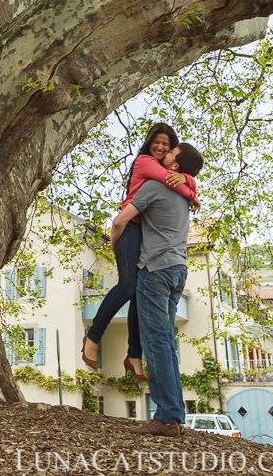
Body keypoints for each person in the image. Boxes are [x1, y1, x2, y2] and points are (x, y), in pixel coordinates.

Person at [81, 124, 199, 380]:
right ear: (149, 143)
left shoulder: (169, 172)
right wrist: (191, 189)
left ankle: (134, 354)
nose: (160, 147)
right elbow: (170, 180)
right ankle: (93, 336)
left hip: (144, 235)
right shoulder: (145, 162)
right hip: (129, 230)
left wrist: (188, 180)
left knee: (139, 291)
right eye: (156, 141)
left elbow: (175, 179)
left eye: (166, 144)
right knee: (127, 287)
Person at [110, 142, 204, 438]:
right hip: (178, 270)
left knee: (157, 343)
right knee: (167, 343)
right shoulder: (182, 195)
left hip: (155, 271)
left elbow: (120, 220)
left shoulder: (153, 186)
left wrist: (115, 247)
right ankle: (175, 415)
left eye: (170, 153)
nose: (163, 154)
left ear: (175, 166)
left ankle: (165, 418)